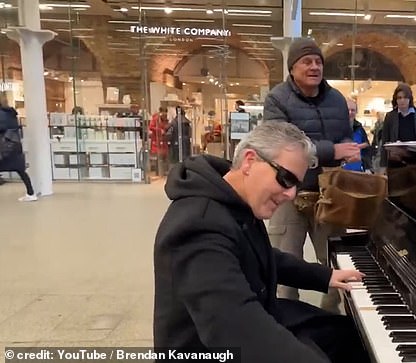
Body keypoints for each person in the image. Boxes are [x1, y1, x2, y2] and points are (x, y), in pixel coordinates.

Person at [153, 122, 370, 363]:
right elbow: (234, 327)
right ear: (249, 161)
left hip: (259, 310)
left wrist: (325, 275)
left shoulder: (231, 197)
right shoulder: (198, 226)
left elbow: (263, 255)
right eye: (286, 178)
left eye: (296, 184)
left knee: (355, 338)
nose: (291, 194)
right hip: (209, 347)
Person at [263, 37, 363, 311]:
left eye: (318, 61)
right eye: (307, 61)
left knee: (336, 263)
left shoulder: (337, 100)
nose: (314, 67)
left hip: (329, 196)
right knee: (283, 268)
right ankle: (286, 326)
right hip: (286, 194)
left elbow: (344, 136)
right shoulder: (276, 99)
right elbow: (281, 146)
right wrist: (333, 151)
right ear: (292, 67)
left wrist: (350, 150)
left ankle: (328, 317)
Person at [380, 83, 416, 167]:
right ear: (395, 100)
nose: (402, 100)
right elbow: (385, 140)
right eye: (399, 98)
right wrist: (383, 165)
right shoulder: (390, 116)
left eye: (405, 97)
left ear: (410, 99)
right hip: (396, 161)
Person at [0, 93, 36, 202]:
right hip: (14, 144)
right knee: (20, 170)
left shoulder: (2, 114)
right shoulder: (10, 113)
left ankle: (31, 193)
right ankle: (31, 193)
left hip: (5, 145)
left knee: (18, 169)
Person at [342, 98, 371, 172]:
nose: (350, 112)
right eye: (348, 110)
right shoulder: (336, 128)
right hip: (341, 172)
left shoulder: (359, 128)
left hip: (358, 171)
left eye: (353, 110)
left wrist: (367, 167)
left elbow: (367, 148)